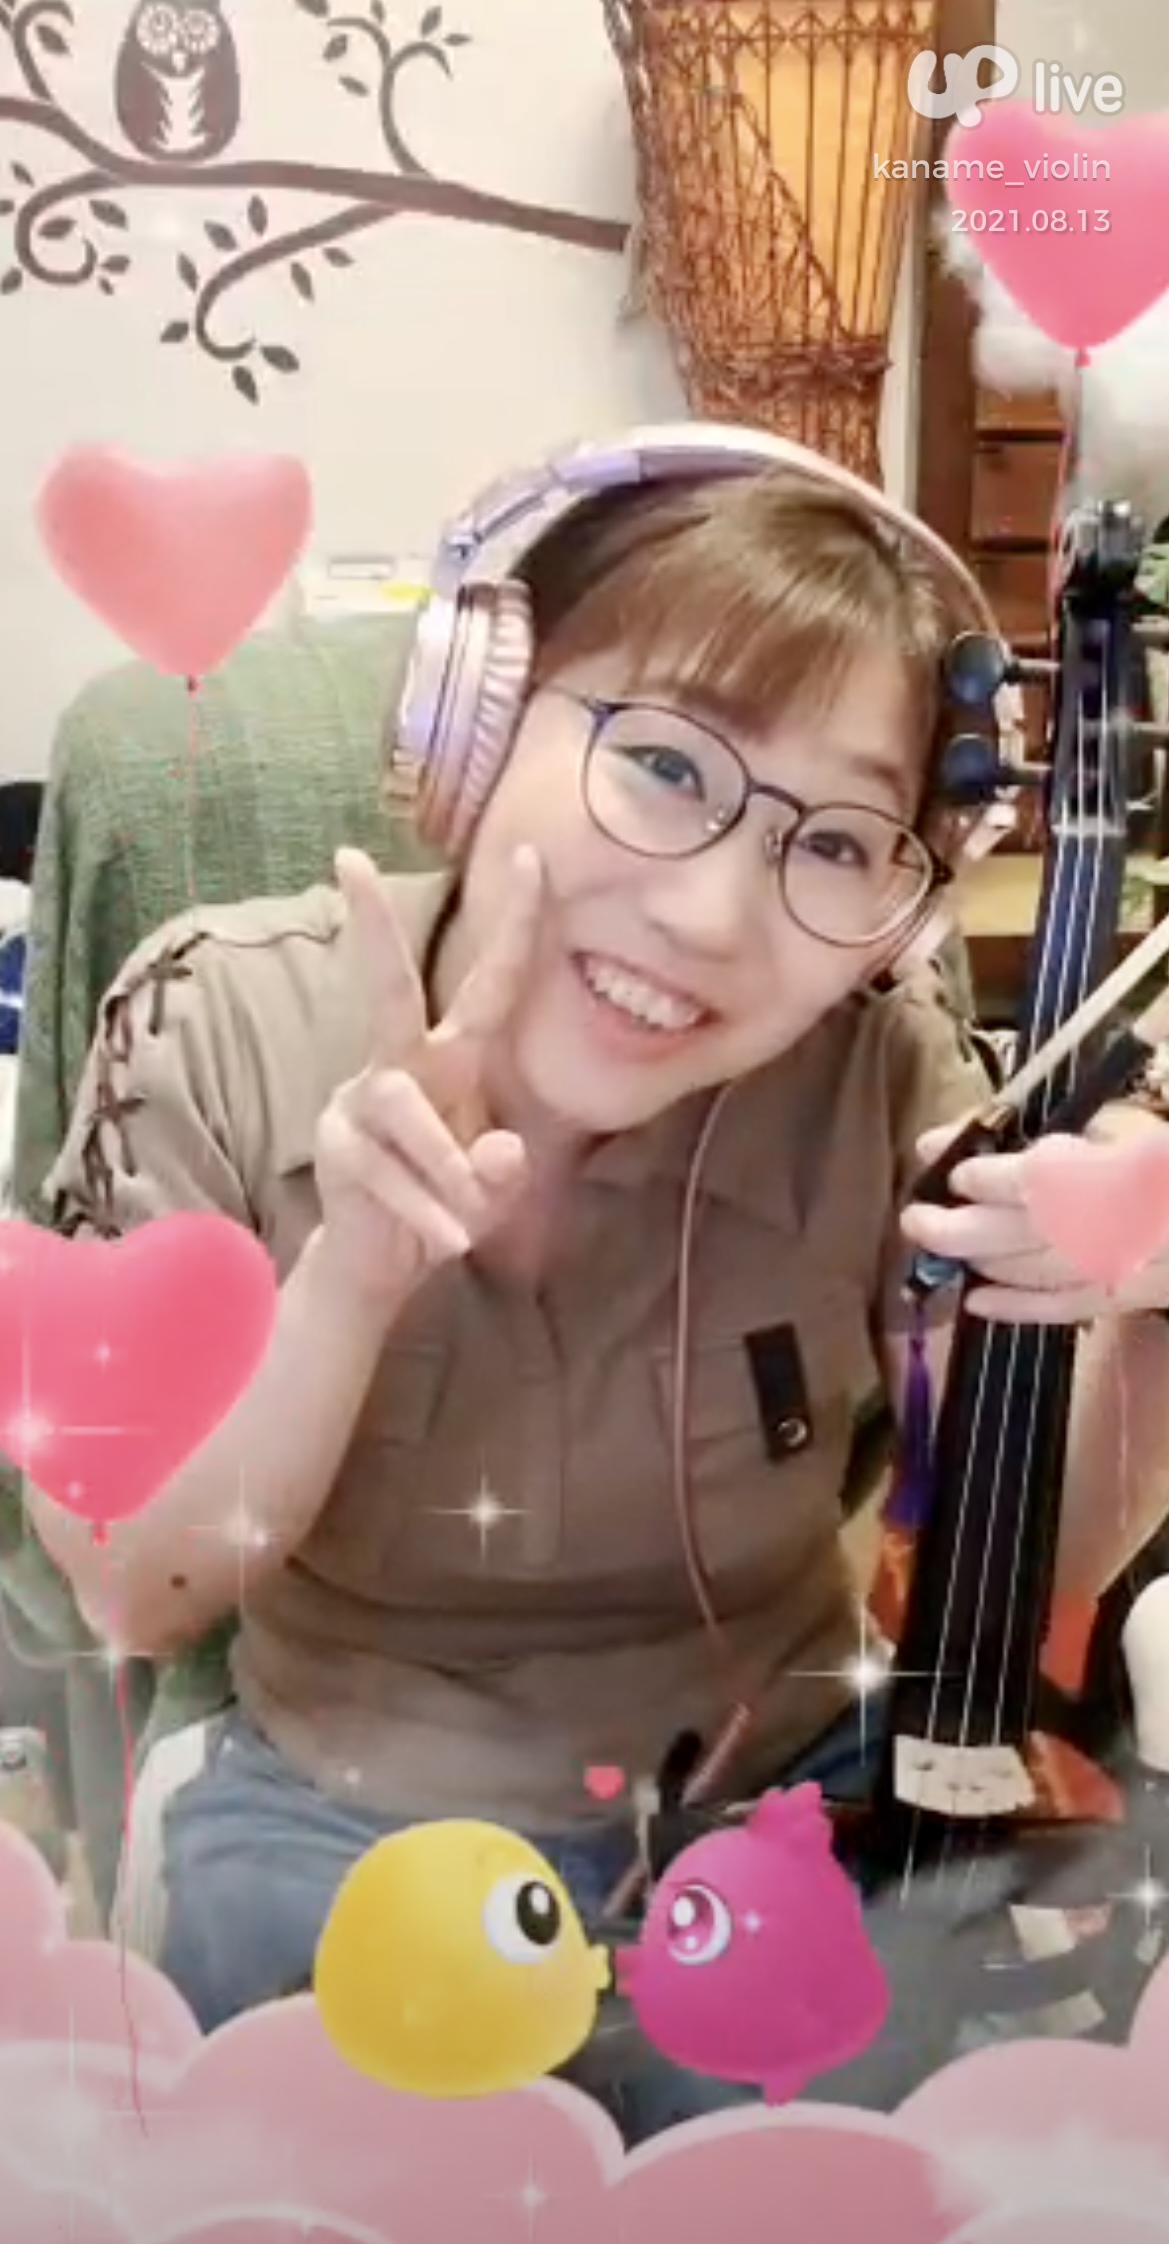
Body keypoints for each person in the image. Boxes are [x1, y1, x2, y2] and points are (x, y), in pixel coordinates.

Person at [24, 425, 1169, 2139]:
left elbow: (1034, 1560)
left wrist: (1144, 1305)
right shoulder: (218, 1025)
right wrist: (351, 1278)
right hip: (338, 1808)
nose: (708, 915)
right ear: (470, 718)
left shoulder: (876, 1073)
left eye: (835, 843)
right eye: (662, 763)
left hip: (782, 1798)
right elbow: (137, 1587)